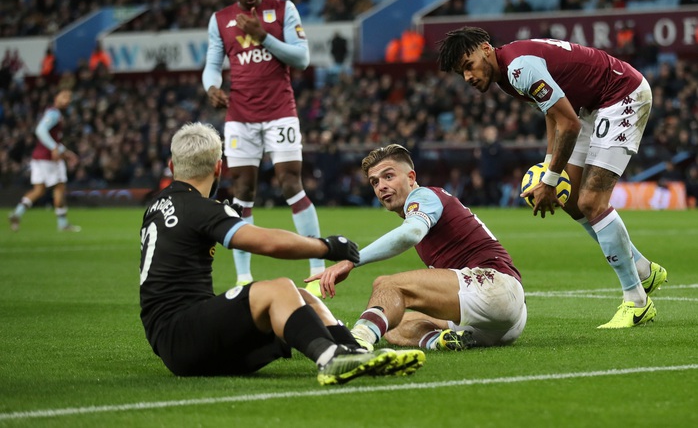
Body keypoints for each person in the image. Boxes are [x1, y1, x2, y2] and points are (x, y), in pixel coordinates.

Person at [139, 122, 425, 384]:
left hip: (177, 337)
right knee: (279, 289)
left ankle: (353, 350)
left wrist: (220, 215)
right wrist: (326, 246)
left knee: (302, 297)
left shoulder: (158, 206)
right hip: (182, 335)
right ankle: (331, 359)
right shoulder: (202, 210)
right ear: (218, 167)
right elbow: (267, 243)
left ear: (171, 165)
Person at [437, 26, 668, 329]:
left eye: (468, 66)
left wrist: (549, 181)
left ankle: (637, 302)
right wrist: (549, 169)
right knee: (571, 199)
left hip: (621, 96)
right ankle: (642, 270)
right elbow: (552, 113)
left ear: (485, 48)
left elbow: (569, 125)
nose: (468, 77)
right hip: (590, 106)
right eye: (461, 74)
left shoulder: (519, 68)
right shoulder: (507, 74)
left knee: (591, 202)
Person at [306, 144, 527, 351]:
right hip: (502, 322)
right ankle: (439, 341)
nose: (381, 186)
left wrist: (351, 260)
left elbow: (410, 233)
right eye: (374, 182)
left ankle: (356, 343)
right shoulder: (424, 206)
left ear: (411, 177)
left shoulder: (423, 196)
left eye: (388, 176)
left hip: (494, 286)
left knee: (387, 286)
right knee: (392, 324)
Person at [202, 0, 325, 294]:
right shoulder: (220, 20)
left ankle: (317, 266)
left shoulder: (283, 9)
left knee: (290, 183)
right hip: (240, 118)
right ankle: (244, 277)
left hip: (280, 112)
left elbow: (302, 58)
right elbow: (213, 64)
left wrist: (263, 37)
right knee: (242, 192)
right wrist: (211, 87)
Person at [9, 82, 80, 232]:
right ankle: (63, 224)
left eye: (69, 97)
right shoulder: (54, 113)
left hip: (38, 158)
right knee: (59, 188)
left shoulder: (54, 113)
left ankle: (17, 213)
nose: (67, 100)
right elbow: (40, 130)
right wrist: (55, 148)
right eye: (64, 96)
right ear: (56, 97)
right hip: (49, 160)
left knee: (39, 190)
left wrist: (66, 152)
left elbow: (51, 138)